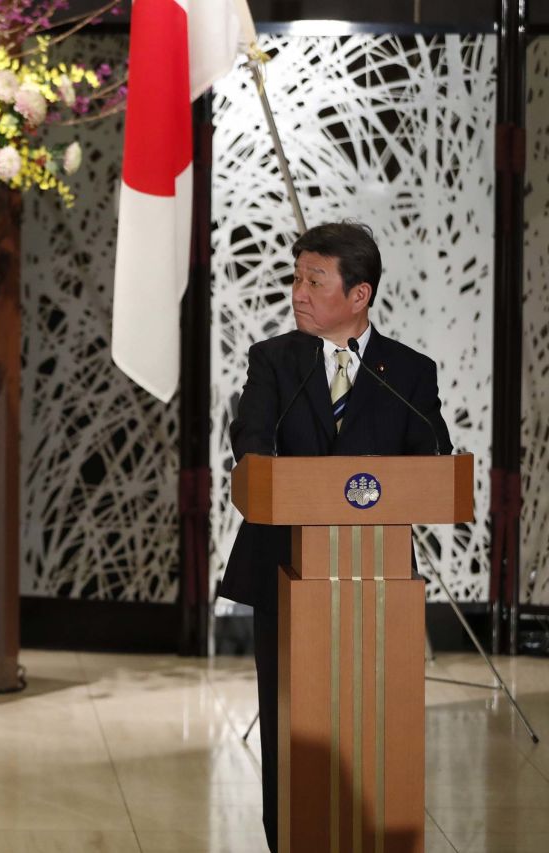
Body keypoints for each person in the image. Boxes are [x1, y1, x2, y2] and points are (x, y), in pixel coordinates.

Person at [222, 221, 452, 853]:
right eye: (296, 278)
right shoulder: (275, 360)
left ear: (359, 296)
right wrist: (255, 465)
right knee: (288, 720)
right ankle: (288, 839)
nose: (298, 292)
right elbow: (251, 441)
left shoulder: (407, 371)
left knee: (375, 719)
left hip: (376, 579)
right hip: (286, 571)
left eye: (314, 280)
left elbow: (433, 458)